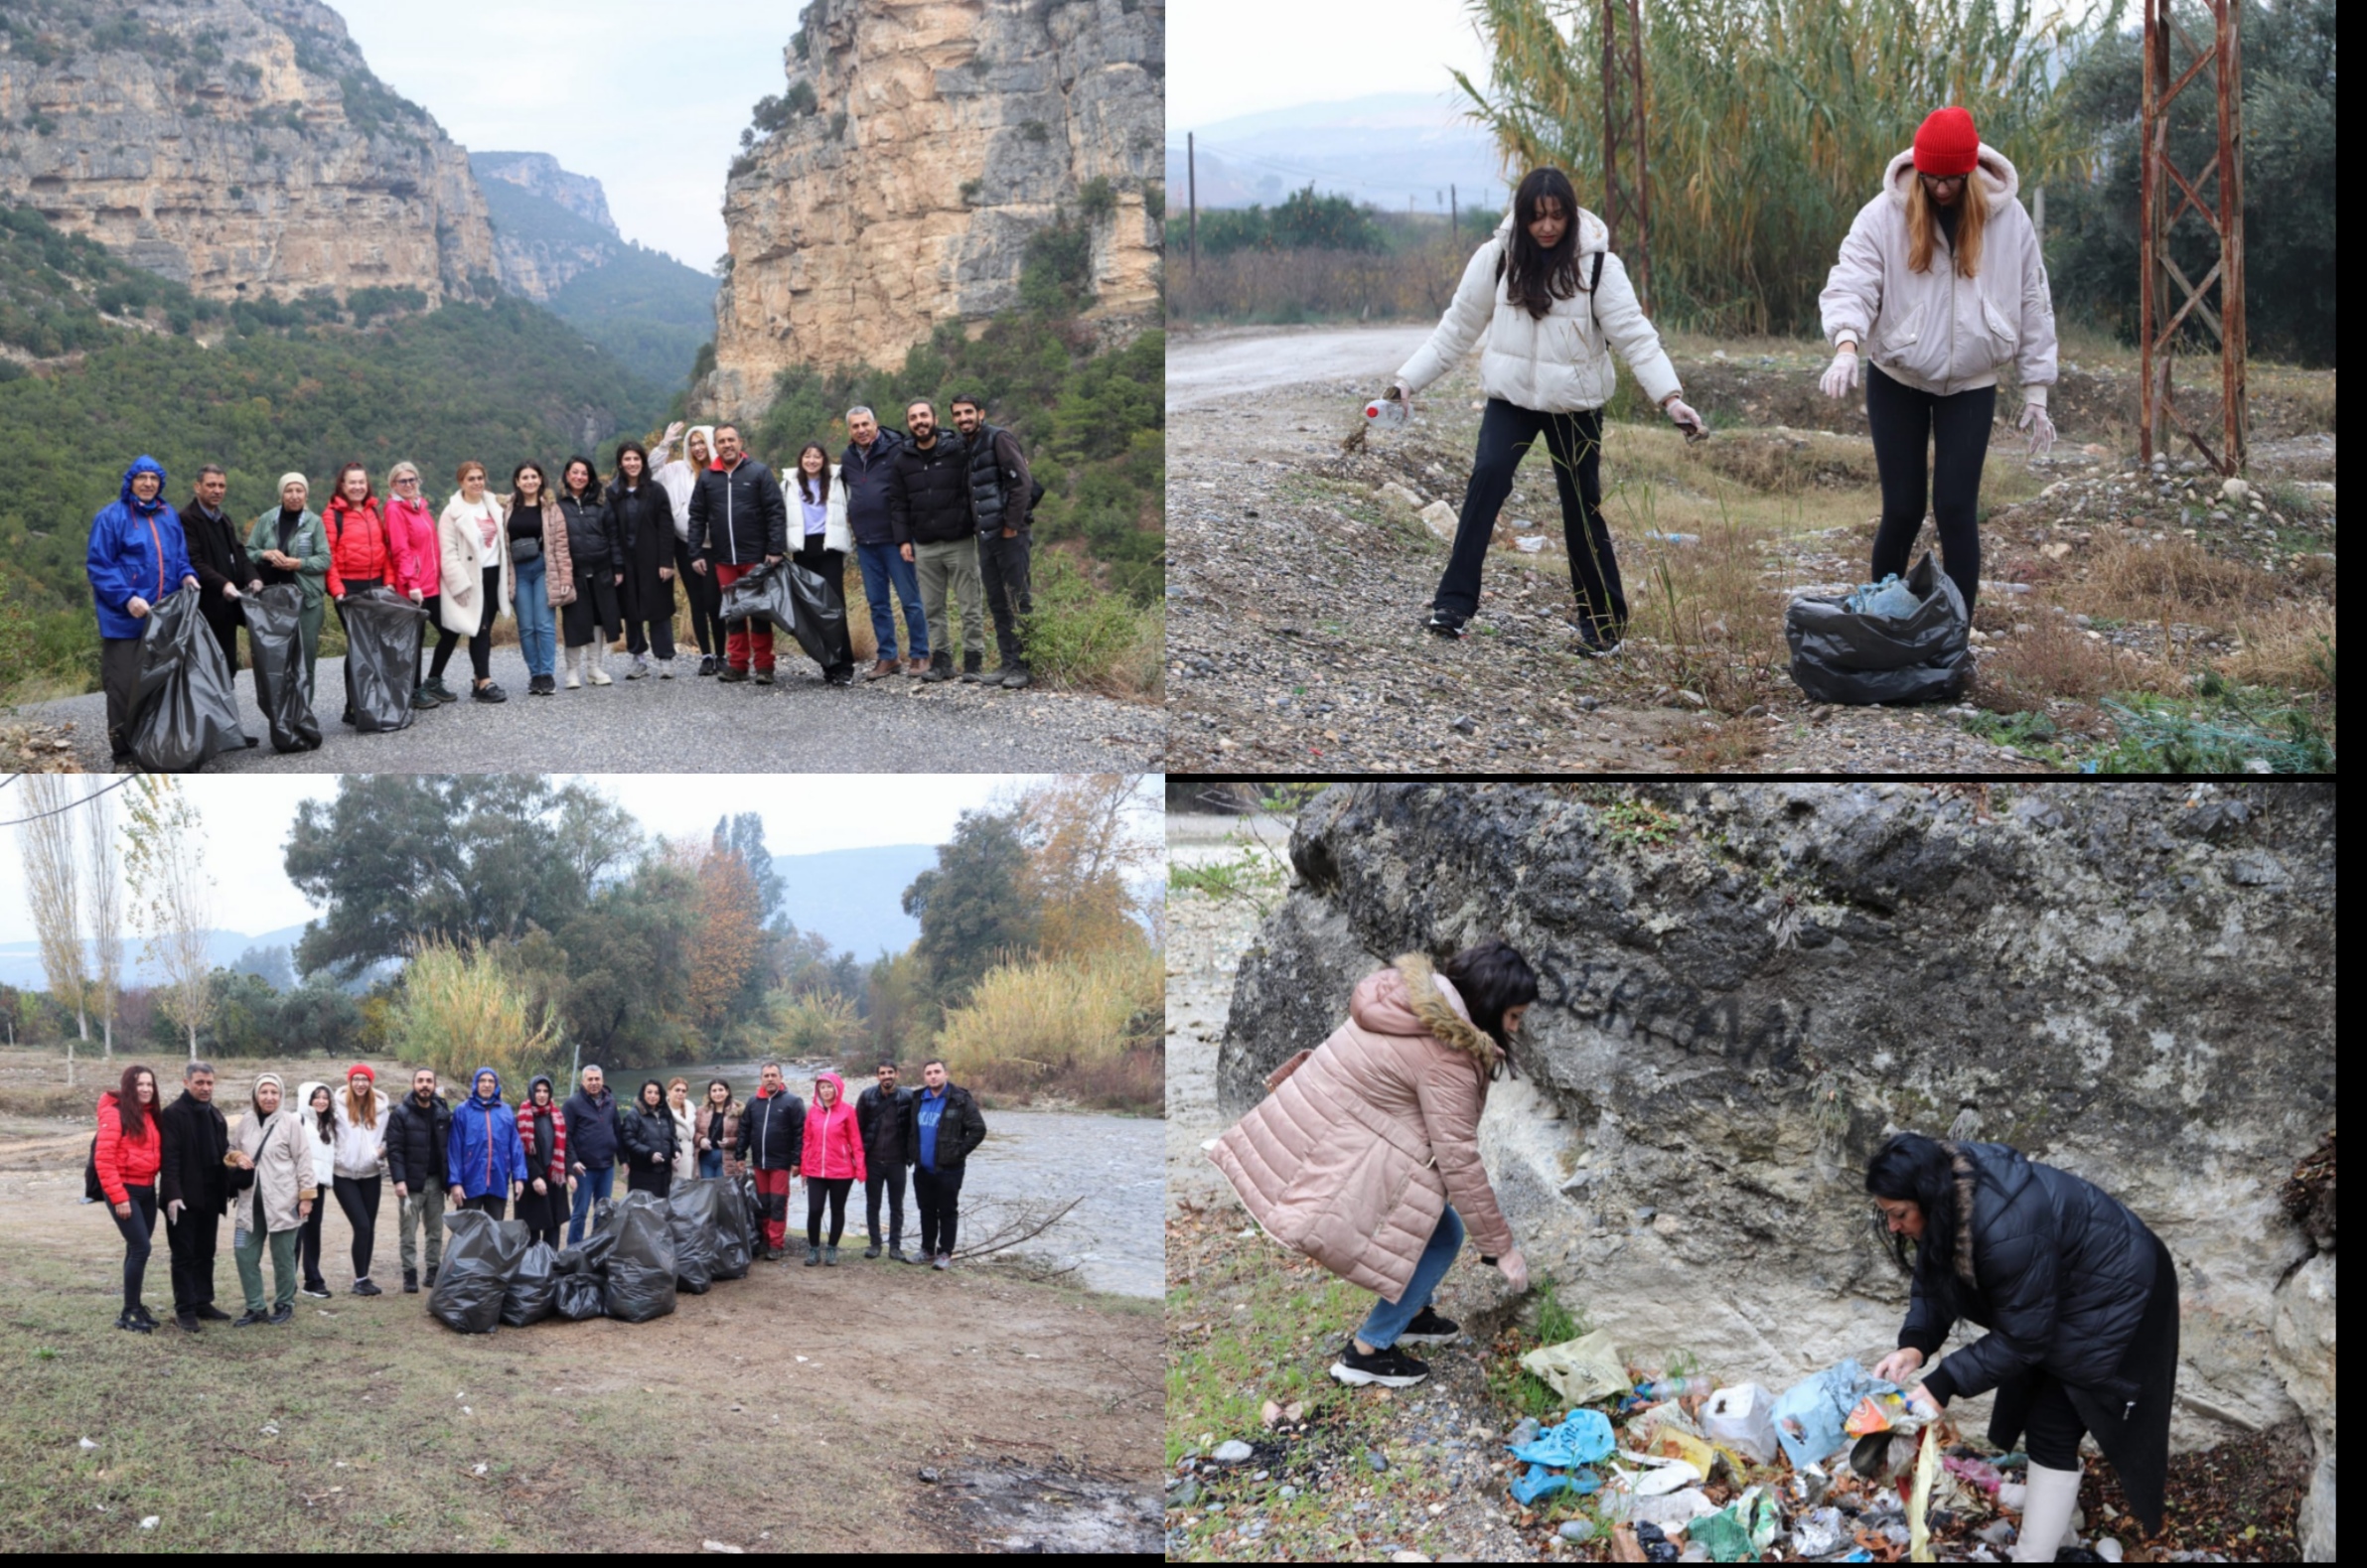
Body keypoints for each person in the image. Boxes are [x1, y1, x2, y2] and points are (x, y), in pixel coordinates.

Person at [1391, 169, 1703, 651]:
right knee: (1486, 479)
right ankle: (1451, 607)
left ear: (1571, 215)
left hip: (1575, 403)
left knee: (1581, 506)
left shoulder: (1599, 266)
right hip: (1511, 398)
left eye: (1557, 216)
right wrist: (1406, 381)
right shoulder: (1497, 258)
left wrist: (1671, 398)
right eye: (1537, 217)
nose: (1547, 227)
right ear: (1523, 217)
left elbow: (1636, 338)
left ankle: (1602, 627)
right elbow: (1455, 330)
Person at [1208, 941, 1537, 1389]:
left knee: (1430, 1222)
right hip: (1342, 1155)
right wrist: (1502, 1249)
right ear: (1489, 1005)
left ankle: (1415, 1312)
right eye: (1513, 1016)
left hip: (1311, 1132)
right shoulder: (1449, 1056)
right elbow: (1459, 1158)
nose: (1516, 1028)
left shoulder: (1405, 1002)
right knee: (1446, 1235)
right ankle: (1368, 1352)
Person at [1866, 1134, 2176, 1564]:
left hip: (2119, 1290)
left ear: (1928, 1198)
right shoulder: (1949, 1202)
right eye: (1888, 1216)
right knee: (2040, 1412)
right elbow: (1934, 1282)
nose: (1894, 1227)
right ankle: (2059, 1514)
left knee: (2054, 1422)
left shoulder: (2005, 1226)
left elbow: (2023, 1338)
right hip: (2065, 1291)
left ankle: (2036, 1554)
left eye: (1899, 1214)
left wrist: (1943, 1383)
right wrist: (1914, 1347)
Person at [1819, 106, 2059, 622]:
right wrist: (1845, 345)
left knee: (1955, 512)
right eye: (1931, 178)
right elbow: (1853, 281)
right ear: (1918, 169)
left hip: (1972, 384)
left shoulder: (2008, 218)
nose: (1941, 189)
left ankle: (1956, 636)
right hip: (1897, 378)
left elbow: (2033, 299)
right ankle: (1881, 622)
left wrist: (2036, 389)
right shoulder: (1883, 214)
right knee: (1903, 510)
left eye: (1952, 179)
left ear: (1970, 172)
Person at [86, 456, 201, 764]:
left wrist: (187, 575)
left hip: (162, 619)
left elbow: (178, 558)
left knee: (159, 686)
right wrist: (127, 598)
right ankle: (124, 754)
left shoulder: (168, 517)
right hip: (124, 621)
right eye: (142, 478)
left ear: (160, 482)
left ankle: (156, 747)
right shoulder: (110, 518)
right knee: (123, 687)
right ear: (131, 482)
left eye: (153, 478)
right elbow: (99, 567)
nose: (148, 483)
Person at [889, 400, 985, 684]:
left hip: (960, 541)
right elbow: (898, 503)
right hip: (925, 545)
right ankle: (942, 662)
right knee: (933, 607)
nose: (919, 421)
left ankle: (973, 662)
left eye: (923, 416)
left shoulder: (956, 450)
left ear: (934, 418)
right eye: (913, 417)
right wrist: (902, 539)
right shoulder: (902, 459)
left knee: (970, 605)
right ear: (908, 423)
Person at [686, 423, 789, 684]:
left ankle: (765, 666)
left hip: (756, 557)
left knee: (760, 612)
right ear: (716, 446)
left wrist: (775, 548)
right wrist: (696, 552)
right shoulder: (708, 477)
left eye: (731, 440)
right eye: (721, 441)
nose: (727, 445)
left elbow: (775, 511)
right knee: (733, 612)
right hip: (723, 558)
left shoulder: (759, 472)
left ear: (740, 442)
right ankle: (738, 664)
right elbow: (696, 517)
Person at [951, 394, 1036, 689]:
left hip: (1010, 536)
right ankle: (1007, 663)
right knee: (998, 603)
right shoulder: (967, 445)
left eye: (968, 412)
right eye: (958, 414)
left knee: (1018, 600)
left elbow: (1022, 482)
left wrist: (1011, 526)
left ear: (981, 413)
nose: (964, 418)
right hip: (986, 537)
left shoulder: (999, 438)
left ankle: (1024, 668)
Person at [841, 405, 925, 678]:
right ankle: (888, 657)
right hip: (866, 541)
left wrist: (906, 536)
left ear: (875, 424)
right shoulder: (848, 457)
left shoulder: (896, 449)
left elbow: (909, 491)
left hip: (896, 539)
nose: (862, 430)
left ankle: (920, 654)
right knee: (877, 603)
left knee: (910, 599)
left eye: (865, 424)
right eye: (856, 426)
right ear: (850, 431)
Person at [226, 1071, 315, 1326]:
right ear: (256, 1094)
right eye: (264, 1092)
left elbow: (304, 1160)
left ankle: (284, 1303)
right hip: (249, 1204)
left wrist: (306, 1197)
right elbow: (231, 1149)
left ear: (281, 1095)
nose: (269, 1097)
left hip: (283, 1203)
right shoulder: (246, 1121)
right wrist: (236, 1157)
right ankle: (255, 1306)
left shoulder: (290, 1123)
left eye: (274, 1092)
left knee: (283, 1257)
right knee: (243, 1253)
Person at [156, 1059, 233, 1332]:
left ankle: (202, 1301)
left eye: (209, 1083)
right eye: (199, 1082)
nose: (205, 1087)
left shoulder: (215, 1114)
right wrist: (172, 1195)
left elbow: (223, 1153)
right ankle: (185, 1309)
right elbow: (170, 1160)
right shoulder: (173, 1115)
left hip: (210, 1198)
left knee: (206, 1252)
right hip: (183, 1200)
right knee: (183, 1255)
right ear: (186, 1082)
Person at [322, 461, 400, 727]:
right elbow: (329, 558)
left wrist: (389, 581)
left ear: (367, 485)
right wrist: (338, 592)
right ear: (342, 486)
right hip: (349, 588)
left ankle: (372, 700)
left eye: (361, 482)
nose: (357, 487)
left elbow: (384, 549)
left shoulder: (373, 511)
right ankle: (353, 705)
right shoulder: (332, 515)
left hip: (376, 584)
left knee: (376, 645)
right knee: (358, 648)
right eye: (352, 482)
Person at [430, 461, 512, 704]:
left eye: (480, 477)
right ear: (461, 482)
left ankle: (477, 680)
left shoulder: (493, 505)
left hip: (493, 575)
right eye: (471, 479)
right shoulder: (451, 512)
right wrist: (459, 584)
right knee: (480, 628)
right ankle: (484, 681)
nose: (477, 482)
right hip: (469, 578)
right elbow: (448, 552)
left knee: (483, 626)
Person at [94, 1062, 166, 1333]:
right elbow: (104, 1160)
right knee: (141, 1248)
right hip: (124, 1190)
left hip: (147, 1190)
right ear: (129, 1087)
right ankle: (128, 1312)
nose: (146, 1089)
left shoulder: (148, 1114)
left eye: (149, 1084)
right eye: (140, 1084)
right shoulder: (115, 1114)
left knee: (136, 1248)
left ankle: (134, 1306)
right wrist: (119, 1197)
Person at [652, 422, 726, 674]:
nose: (697, 448)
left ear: (710, 443)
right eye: (692, 444)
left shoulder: (721, 471)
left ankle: (722, 654)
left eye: (701, 442)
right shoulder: (676, 470)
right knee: (698, 601)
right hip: (685, 544)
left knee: (717, 600)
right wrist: (665, 443)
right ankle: (706, 655)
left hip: (716, 545)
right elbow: (650, 470)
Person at [246, 473, 331, 693]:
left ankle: (302, 714)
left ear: (306, 494)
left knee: (305, 659)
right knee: (277, 659)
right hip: (272, 601)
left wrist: (298, 564)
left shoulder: (314, 523)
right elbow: (247, 552)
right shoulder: (267, 520)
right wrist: (265, 554)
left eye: (299, 491)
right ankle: (281, 714)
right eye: (289, 491)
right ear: (281, 494)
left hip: (307, 602)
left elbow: (325, 559)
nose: (294, 496)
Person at [181, 464, 261, 682]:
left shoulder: (223, 520)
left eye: (221, 485)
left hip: (226, 608)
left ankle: (223, 715)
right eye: (211, 485)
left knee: (227, 666)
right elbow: (193, 561)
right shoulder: (187, 519)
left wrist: (253, 577)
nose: (217, 490)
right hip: (204, 608)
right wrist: (224, 584)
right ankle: (209, 716)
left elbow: (239, 553)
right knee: (206, 669)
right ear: (198, 487)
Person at [905, 1058, 986, 1271]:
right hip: (923, 1167)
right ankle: (926, 1250)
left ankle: (945, 1253)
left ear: (946, 1074)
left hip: (949, 1168)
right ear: (924, 1076)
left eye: (937, 1072)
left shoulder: (959, 1099)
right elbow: (909, 1130)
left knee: (948, 1211)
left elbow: (978, 1129)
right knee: (926, 1210)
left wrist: (958, 1153)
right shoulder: (917, 1098)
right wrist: (911, 1154)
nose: (933, 1076)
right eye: (929, 1072)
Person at [789, 442, 858, 684]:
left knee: (835, 607)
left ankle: (845, 664)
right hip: (802, 549)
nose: (812, 460)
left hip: (829, 548)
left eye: (817, 456)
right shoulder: (790, 483)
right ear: (801, 460)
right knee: (814, 609)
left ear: (824, 460)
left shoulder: (838, 481)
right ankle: (828, 664)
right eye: (807, 456)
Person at [556, 455, 626, 689]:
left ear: (590, 477)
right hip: (573, 572)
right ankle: (572, 672)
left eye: (584, 473)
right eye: (575, 472)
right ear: (567, 475)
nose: (579, 477)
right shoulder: (558, 504)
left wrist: (617, 567)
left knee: (599, 619)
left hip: (601, 569)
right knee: (575, 621)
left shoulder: (601, 502)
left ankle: (594, 668)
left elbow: (614, 536)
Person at [611, 441, 678, 679]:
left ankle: (665, 658)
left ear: (643, 462)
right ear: (620, 462)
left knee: (659, 610)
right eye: (627, 459)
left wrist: (666, 561)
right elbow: (611, 531)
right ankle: (638, 658)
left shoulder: (656, 490)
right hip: (626, 562)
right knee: (631, 611)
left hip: (653, 559)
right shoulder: (613, 492)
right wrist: (616, 565)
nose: (632, 464)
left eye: (636, 459)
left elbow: (666, 528)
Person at [384, 1066, 451, 1294]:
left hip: (436, 1182)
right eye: (421, 1081)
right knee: (408, 1231)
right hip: (411, 1184)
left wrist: (449, 1181)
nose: (425, 1085)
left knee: (435, 1230)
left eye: (429, 1081)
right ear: (414, 1084)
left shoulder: (442, 1113)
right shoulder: (400, 1114)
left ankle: (433, 1270)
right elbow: (394, 1150)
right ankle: (409, 1273)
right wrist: (399, 1180)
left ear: (434, 1085)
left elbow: (447, 1148)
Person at [326, 1063, 390, 1297]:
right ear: (349, 1082)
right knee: (361, 1225)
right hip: (343, 1174)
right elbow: (325, 1131)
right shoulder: (337, 1107)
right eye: (356, 1079)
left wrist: (379, 1153)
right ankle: (360, 1278)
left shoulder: (382, 1110)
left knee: (369, 1228)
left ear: (371, 1082)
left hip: (371, 1174)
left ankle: (363, 1278)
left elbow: (388, 1138)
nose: (360, 1083)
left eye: (365, 1079)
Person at [506, 461, 568, 696]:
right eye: (525, 477)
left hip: (543, 568)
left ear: (541, 479)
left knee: (544, 624)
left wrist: (564, 577)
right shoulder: (507, 507)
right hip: (518, 571)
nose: (530, 481)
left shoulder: (551, 508)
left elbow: (561, 545)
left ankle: (547, 674)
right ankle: (534, 675)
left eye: (534, 476)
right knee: (526, 626)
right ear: (517, 482)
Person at [735, 1062, 805, 1261]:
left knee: (777, 1204)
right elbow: (745, 1130)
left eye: (774, 1075)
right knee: (762, 1203)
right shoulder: (754, 1102)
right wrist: (740, 1155)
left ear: (781, 1078)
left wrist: (796, 1161)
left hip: (781, 1164)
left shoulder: (792, 1102)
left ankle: (776, 1243)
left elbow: (800, 1133)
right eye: (766, 1076)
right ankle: (764, 1239)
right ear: (761, 1079)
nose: (770, 1079)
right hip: (759, 1163)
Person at [800, 1069, 865, 1266]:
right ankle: (813, 1249)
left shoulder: (847, 1111)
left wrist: (860, 1168)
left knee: (837, 1210)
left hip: (841, 1171)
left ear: (837, 1088)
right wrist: (804, 1168)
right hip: (816, 1171)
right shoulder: (812, 1112)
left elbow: (855, 1140)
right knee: (814, 1210)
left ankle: (832, 1249)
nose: (826, 1090)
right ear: (817, 1090)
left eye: (829, 1087)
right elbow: (807, 1140)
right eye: (822, 1087)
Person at [447, 1068, 528, 1218]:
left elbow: (515, 1146)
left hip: (498, 1180)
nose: (487, 1085)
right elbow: (454, 1149)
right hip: (470, 1182)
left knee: (494, 1230)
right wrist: (455, 1182)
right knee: (468, 1231)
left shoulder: (505, 1111)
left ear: (496, 1085)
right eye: (482, 1081)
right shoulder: (462, 1111)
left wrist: (519, 1177)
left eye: (491, 1081)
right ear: (475, 1084)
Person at [855, 1060, 914, 1261]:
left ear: (897, 1074)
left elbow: (914, 1127)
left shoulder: (908, 1096)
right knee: (873, 1204)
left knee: (896, 1205)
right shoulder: (866, 1096)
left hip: (897, 1161)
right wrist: (858, 1156)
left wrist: (913, 1154)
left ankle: (895, 1247)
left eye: (890, 1072)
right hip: (873, 1160)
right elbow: (857, 1128)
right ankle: (875, 1243)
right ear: (877, 1076)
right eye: (882, 1073)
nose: (886, 1076)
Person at [563, 1065, 621, 1243]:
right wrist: (572, 1163)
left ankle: (596, 1248)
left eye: (597, 1079)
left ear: (602, 1081)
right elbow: (566, 1137)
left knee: (603, 1212)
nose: (594, 1083)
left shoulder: (611, 1102)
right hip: (584, 1169)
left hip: (607, 1166)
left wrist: (624, 1160)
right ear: (583, 1082)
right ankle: (573, 1251)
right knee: (580, 1212)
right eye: (590, 1079)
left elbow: (618, 1131)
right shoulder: (572, 1104)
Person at [516, 1075, 570, 1249]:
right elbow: (519, 1152)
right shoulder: (522, 1117)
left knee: (553, 1225)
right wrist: (535, 1176)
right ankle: (533, 1268)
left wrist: (569, 1170)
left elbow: (565, 1146)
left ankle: (551, 1265)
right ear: (531, 1092)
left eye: (545, 1091)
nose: (541, 1095)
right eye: (538, 1091)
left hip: (554, 1177)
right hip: (533, 1179)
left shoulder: (557, 1116)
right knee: (532, 1227)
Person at [295, 1080, 338, 1298]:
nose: (321, 1101)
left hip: (318, 1185)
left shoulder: (328, 1123)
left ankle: (312, 1279)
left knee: (312, 1232)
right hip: (297, 1184)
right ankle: (287, 1280)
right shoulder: (297, 1120)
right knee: (294, 1233)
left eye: (325, 1097)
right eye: (316, 1097)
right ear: (307, 1099)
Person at [619, 1078, 679, 1201]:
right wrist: (649, 1153)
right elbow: (628, 1140)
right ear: (643, 1094)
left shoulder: (665, 1113)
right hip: (642, 1171)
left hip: (664, 1171)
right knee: (643, 1210)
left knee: (662, 1207)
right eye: (649, 1092)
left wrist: (676, 1150)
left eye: (656, 1093)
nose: (653, 1096)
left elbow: (672, 1136)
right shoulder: (634, 1114)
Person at [694, 1078, 739, 1182]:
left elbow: (744, 1137)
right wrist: (700, 1140)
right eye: (714, 1091)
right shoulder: (701, 1111)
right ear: (709, 1093)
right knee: (707, 1189)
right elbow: (693, 1133)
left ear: (727, 1092)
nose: (717, 1093)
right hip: (705, 1158)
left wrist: (730, 1141)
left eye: (720, 1090)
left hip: (726, 1158)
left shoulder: (737, 1112)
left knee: (722, 1190)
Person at [666, 1077, 700, 1184]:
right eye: (677, 1090)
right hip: (674, 1158)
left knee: (688, 1191)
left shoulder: (691, 1108)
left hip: (690, 1156)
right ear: (669, 1091)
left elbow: (696, 1132)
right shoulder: (662, 1111)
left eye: (683, 1091)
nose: (680, 1093)